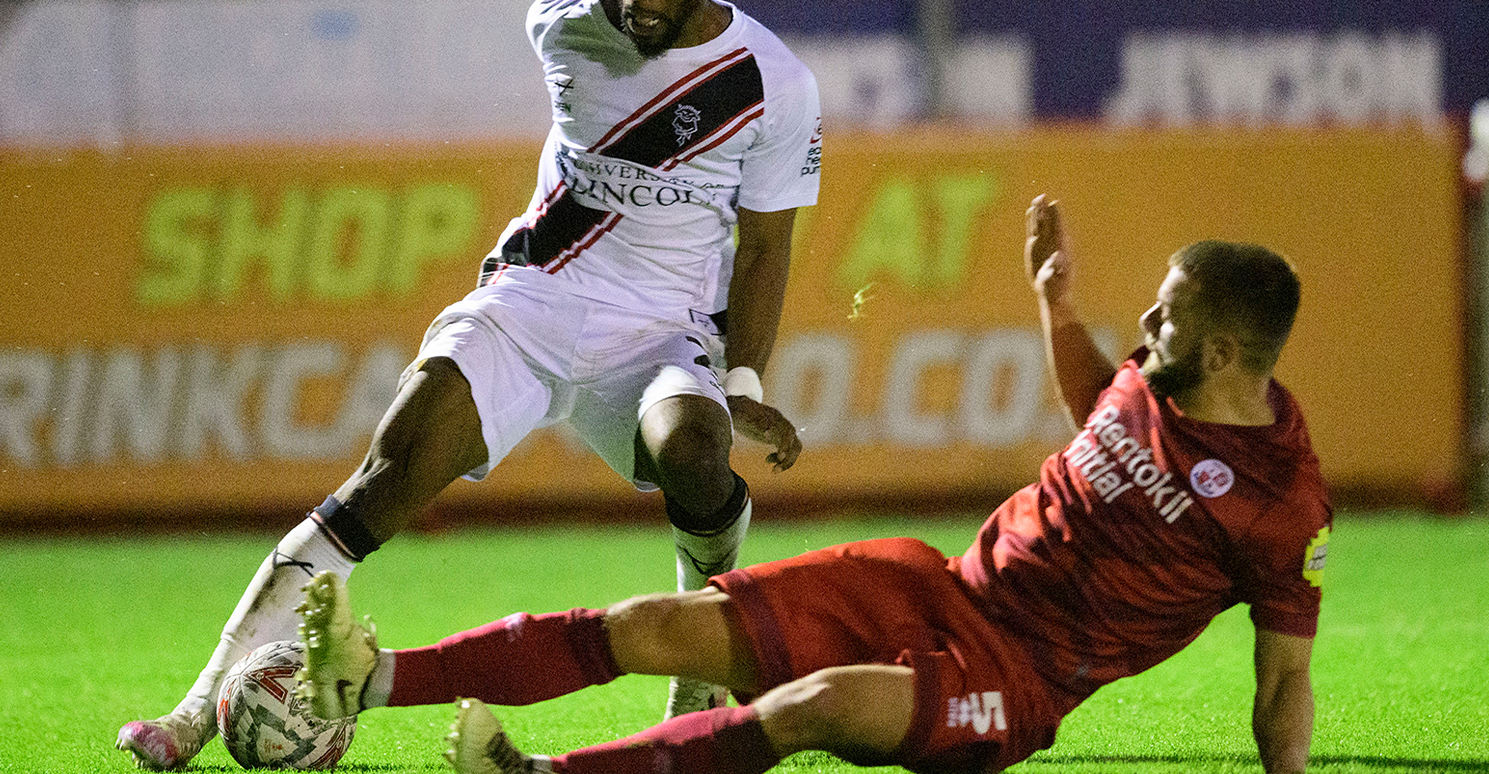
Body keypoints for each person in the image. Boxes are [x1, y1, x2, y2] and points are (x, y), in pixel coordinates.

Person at [116, 0, 820, 767]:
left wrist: (741, 383)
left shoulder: (772, 84)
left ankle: (702, 662)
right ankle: (189, 714)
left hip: (662, 331)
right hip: (532, 301)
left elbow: (763, 252)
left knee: (693, 450)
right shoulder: (563, 22)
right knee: (389, 472)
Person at [292, 194, 1332, 774]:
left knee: (812, 705)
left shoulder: (1280, 502)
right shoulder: (1150, 386)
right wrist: (1054, 306)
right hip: (937, 586)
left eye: (1169, 320)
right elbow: (1096, 402)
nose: (1147, 331)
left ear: (1229, 348)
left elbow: (1283, 680)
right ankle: (370, 678)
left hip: (1019, 681)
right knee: (655, 623)